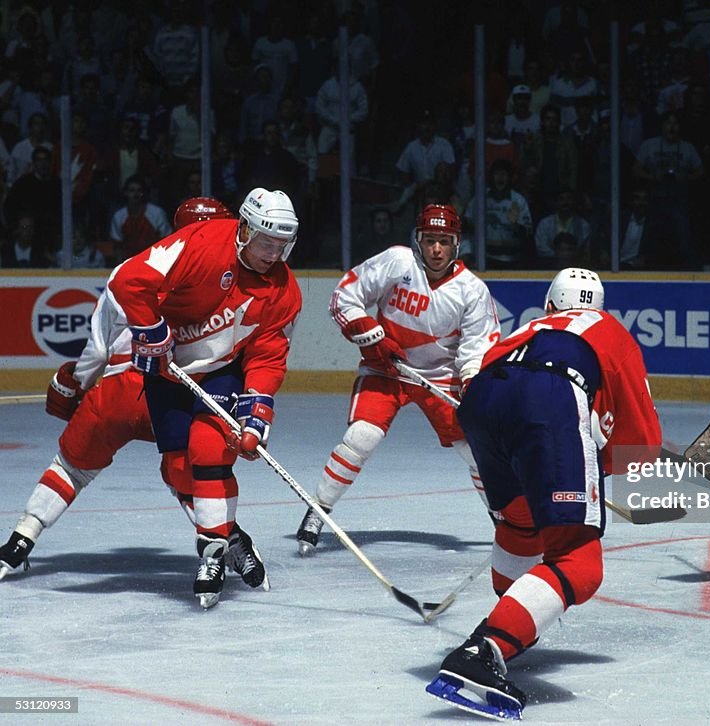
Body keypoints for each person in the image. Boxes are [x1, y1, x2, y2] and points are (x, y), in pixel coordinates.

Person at [426, 268, 661, 720]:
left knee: (520, 524)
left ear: (551, 306)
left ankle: (507, 624)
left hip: (483, 403)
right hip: (549, 399)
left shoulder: (529, 328)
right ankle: (484, 650)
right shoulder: (609, 330)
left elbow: (478, 383)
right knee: (579, 560)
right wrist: (595, 467)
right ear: (599, 307)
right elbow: (643, 443)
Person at [0, 199, 268, 592]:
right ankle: (224, 537)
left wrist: (72, 384)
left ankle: (20, 540)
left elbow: (97, 351)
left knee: (72, 466)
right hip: (179, 389)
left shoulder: (138, 268)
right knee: (189, 469)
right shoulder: (235, 280)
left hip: (120, 390)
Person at [98, 188, 302, 608]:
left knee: (209, 449)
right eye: (267, 243)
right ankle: (231, 536)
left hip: (220, 371)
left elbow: (267, 356)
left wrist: (257, 415)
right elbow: (127, 280)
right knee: (176, 469)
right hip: (166, 373)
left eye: (282, 247)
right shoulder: (200, 244)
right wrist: (151, 330)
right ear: (244, 229)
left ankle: (210, 553)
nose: (273, 255)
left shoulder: (284, 290)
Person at [295, 203, 499, 556]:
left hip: (439, 376)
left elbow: (476, 348)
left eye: (445, 241)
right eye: (430, 240)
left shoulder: (471, 290)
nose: (437, 249)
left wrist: (471, 383)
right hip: (386, 371)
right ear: (417, 240)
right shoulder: (397, 262)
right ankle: (318, 511)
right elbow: (345, 297)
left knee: (475, 452)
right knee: (361, 437)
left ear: (457, 245)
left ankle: (504, 519)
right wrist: (371, 335)